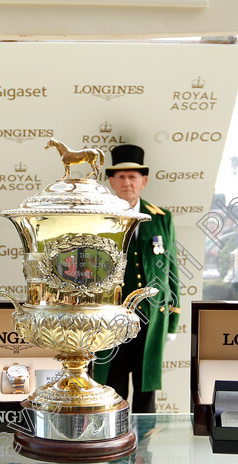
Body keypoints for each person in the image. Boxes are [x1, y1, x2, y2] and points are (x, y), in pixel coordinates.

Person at [92, 144, 180, 413]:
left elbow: (172, 272)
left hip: (150, 318)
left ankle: (144, 451)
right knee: (112, 389)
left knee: (146, 394)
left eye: (132, 177)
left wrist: (172, 320)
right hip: (112, 320)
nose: (126, 182)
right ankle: (113, 446)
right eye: (120, 177)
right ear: (110, 181)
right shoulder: (99, 218)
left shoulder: (161, 218)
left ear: (144, 181)